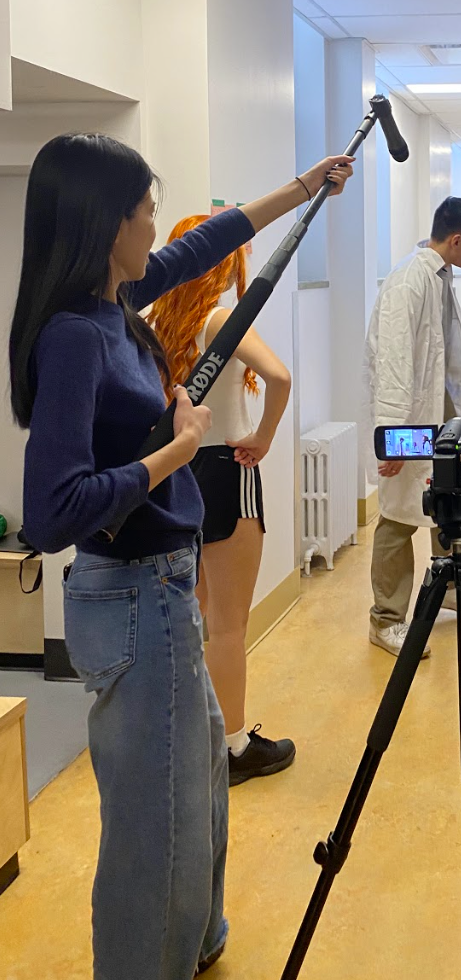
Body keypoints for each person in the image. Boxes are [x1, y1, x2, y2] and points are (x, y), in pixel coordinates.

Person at [8, 132, 352, 980]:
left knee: (197, 785)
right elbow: (51, 514)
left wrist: (303, 185)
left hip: (160, 592)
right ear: (104, 223)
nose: (156, 224)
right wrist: (175, 449)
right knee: (152, 822)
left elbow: (210, 241)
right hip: (128, 597)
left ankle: (197, 942)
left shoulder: (118, 305)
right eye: (144, 211)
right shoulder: (73, 338)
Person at [148, 215, 296, 787]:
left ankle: (203, 737)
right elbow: (278, 377)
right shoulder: (221, 321)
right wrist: (263, 436)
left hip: (177, 475)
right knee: (229, 624)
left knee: (201, 617)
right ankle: (232, 749)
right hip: (228, 472)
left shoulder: (159, 323)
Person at [365, 196, 461, 658]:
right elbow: (395, 365)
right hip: (411, 423)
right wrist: (394, 439)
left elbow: (447, 351)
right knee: (399, 519)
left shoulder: (438, 278)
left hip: (438, 419)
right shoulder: (409, 280)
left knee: (445, 502)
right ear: (457, 239)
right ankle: (386, 620)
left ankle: (445, 589)